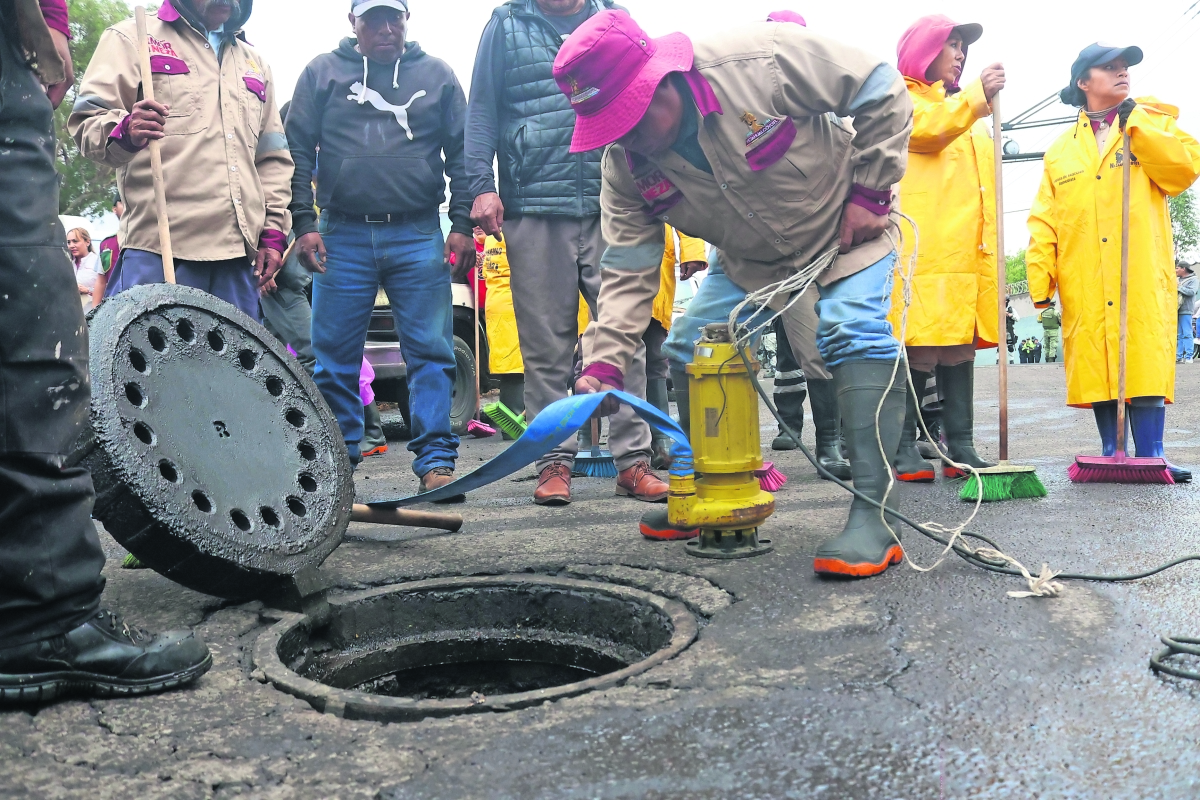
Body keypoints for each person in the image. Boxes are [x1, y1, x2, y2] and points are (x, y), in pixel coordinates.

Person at [556, 11, 915, 576]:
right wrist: (603, 362)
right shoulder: (626, 167)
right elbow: (627, 269)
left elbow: (877, 85)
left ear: (662, 78)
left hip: (849, 229)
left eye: (632, 117)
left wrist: (871, 189)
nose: (627, 138)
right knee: (686, 347)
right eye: (611, 126)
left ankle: (877, 514)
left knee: (850, 330)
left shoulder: (760, 61)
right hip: (749, 263)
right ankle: (709, 492)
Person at [0, 0, 210, 706]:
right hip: (160, 237)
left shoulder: (247, 61)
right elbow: (89, 122)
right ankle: (44, 621)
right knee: (32, 340)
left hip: (231, 244)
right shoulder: (133, 40)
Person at [466, 0, 667, 507]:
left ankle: (634, 462)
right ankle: (555, 462)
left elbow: (649, 91)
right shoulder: (505, 24)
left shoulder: (614, 16)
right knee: (544, 343)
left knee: (625, 336)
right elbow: (482, 110)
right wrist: (480, 186)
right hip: (533, 202)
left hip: (612, 197)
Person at [286, 0, 475, 494]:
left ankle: (436, 463)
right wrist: (304, 223)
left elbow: (462, 150)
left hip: (417, 232)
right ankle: (339, 464)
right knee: (332, 357)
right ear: (353, 21)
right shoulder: (322, 72)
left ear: (407, 20)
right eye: (373, 18)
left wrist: (460, 222)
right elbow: (297, 150)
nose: (386, 28)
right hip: (341, 234)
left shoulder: (436, 74)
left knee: (431, 353)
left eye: (395, 17)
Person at [1028, 42, 1200, 484]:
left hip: (1139, 270)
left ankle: (1153, 452)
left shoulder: (1153, 124)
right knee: (1097, 359)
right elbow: (1044, 219)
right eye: (1109, 67)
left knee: (1140, 352)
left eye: (1124, 67)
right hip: (1084, 272)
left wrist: (1137, 123)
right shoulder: (1060, 152)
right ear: (1083, 82)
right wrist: (1039, 277)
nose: (1122, 72)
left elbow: (1183, 171)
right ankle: (1111, 450)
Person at [68, 0, 293, 319]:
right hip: (158, 251)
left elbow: (273, 159)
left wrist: (273, 231)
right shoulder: (132, 37)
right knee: (156, 367)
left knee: (233, 369)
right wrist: (126, 130)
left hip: (239, 259)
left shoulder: (254, 63)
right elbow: (86, 123)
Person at [888, 15, 1000, 483]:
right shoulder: (900, 100)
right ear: (923, 50)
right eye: (950, 44)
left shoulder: (968, 114)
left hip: (965, 251)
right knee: (917, 343)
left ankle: (962, 445)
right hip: (921, 246)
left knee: (958, 345)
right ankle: (903, 443)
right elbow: (928, 131)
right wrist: (977, 97)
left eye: (962, 46)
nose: (960, 54)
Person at [646, 225, 707, 468]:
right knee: (593, 360)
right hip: (597, 259)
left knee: (654, 357)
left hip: (653, 259)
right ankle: (587, 441)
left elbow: (681, 199)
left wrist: (692, 250)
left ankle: (659, 440)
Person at [479, 230, 527, 436]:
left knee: (507, 363)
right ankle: (517, 417)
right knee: (519, 363)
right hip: (514, 302)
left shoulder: (491, 238)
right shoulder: (513, 234)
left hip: (495, 304)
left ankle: (510, 421)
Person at [95, 192, 124, 305]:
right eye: (122, 202)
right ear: (114, 209)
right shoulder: (107, 245)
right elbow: (101, 281)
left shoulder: (149, 240)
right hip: (113, 305)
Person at [66, 227, 102, 310]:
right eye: (68, 242)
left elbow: (108, 289)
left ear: (87, 242)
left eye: (75, 241)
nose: (71, 245)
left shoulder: (97, 261)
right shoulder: (67, 264)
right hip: (71, 312)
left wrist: (88, 290)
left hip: (92, 312)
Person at [1176, 261, 1196, 363]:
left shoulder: (1193, 280)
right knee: (1179, 334)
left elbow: (1192, 292)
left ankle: (1189, 356)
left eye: (1177, 268)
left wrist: (1178, 287)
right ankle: (1178, 356)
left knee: (1187, 333)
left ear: (1183, 269)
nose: (1176, 270)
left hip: (1186, 310)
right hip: (1176, 310)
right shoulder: (1177, 279)